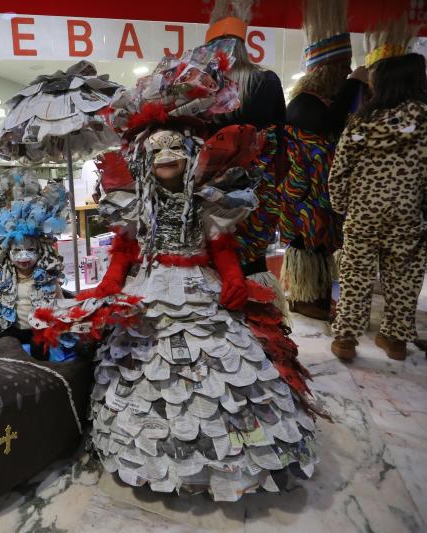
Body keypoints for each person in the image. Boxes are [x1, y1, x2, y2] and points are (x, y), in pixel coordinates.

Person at [33, 43, 320, 501]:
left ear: (191, 154)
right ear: (144, 160)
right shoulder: (133, 205)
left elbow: (221, 245)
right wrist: (109, 286)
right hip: (148, 287)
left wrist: (232, 278)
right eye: (156, 150)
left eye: (175, 148)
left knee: (223, 370)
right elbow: (125, 251)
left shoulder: (208, 201)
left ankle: (227, 459)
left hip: (198, 287)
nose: (165, 155)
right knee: (143, 367)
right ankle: (154, 457)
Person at [329, 22, 427, 361]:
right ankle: (395, 340)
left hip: (363, 212)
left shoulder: (362, 122)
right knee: (404, 276)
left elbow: (339, 170)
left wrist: (343, 206)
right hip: (408, 213)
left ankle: (345, 340)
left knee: (355, 275)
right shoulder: (425, 124)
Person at [279, 0, 366, 320]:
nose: (346, 72)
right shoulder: (304, 104)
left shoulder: (319, 102)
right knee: (308, 246)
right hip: (304, 199)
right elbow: (327, 126)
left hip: (318, 198)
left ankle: (314, 297)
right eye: (343, 68)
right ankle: (303, 298)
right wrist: (355, 84)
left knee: (319, 248)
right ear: (330, 70)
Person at [205, 0, 291, 323]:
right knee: (252, 262)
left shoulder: (204, 90)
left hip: (210, 198)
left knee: (217, 260)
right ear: (244, 45)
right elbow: (282, 143)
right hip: (257, 197)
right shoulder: (266, 82)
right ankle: (260, 328)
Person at [0, 172, 70, 360]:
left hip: (39, 329)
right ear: (7, 253)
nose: (24, 257)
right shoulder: (5, 279)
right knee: (1, 345)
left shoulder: (47, 279)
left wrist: (59, 320)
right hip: (14, 328)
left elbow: (60, 304)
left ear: (41, 251)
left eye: (31, 250)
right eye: (17, 251)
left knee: (40, 349)